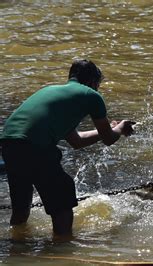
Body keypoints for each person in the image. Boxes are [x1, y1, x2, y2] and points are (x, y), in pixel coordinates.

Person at [0, 59, 135, 240]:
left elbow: (76, 140)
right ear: (93, 82)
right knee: (62, 197)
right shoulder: (91, 96)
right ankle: (62, 245)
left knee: (21, 204)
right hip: (35, 144)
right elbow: (109, 139)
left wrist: (109, 129)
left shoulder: (51, 92)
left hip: (9, 143)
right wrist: (120, 128)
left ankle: (17, 246)